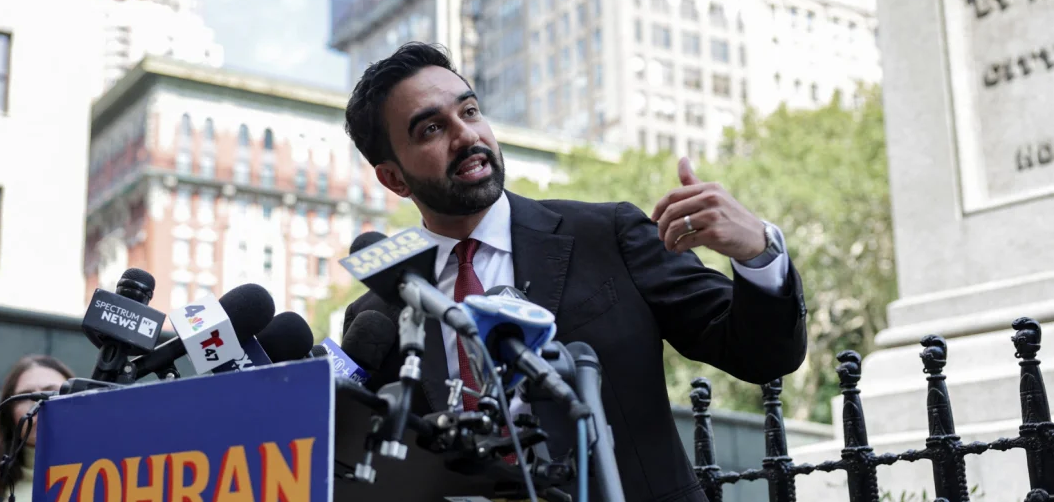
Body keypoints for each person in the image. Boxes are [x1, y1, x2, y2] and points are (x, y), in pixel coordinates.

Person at [341, 42, 807, 502]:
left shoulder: (608, 233)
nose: (466, 136)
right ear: (393, 179)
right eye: (431, 129)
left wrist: (757, 254)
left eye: (470, 111)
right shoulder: (379, 316)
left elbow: (762, 355)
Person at [0, 355, 73, 502]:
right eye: (25, 397)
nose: (38, 404)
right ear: (9, 412)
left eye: (53, 393)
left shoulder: (104, 470)